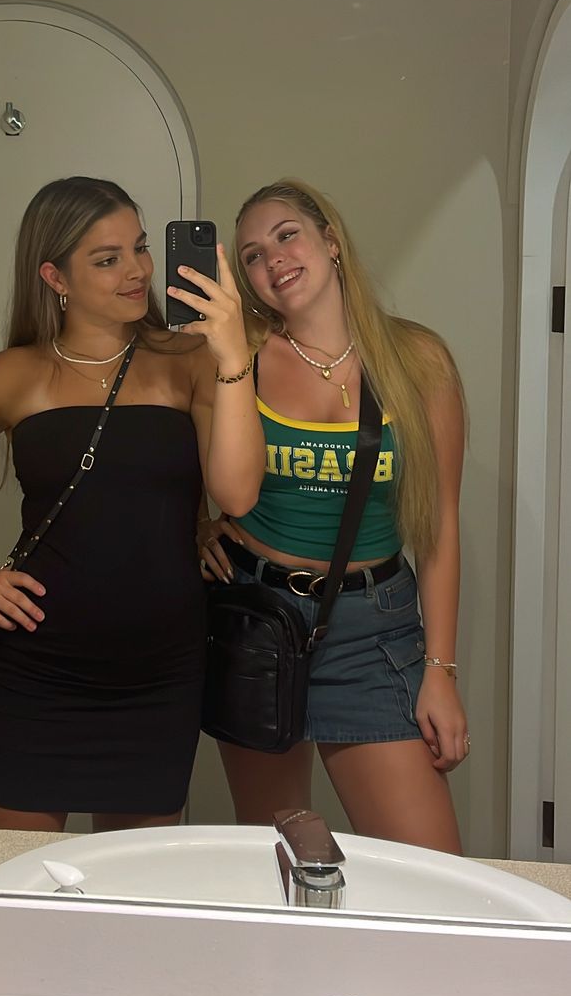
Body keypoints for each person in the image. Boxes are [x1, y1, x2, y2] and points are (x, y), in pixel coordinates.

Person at [0, 176, 264, 833]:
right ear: (55, 276)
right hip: (37, 675)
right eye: (107, 259)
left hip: (159, 675)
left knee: (133, 888)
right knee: (14, 885)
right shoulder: (15, 375)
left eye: (140, 248)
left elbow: (236, 494)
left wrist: (232, 355)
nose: (137, 271)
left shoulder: (189, 360)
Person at [198, 178, 467, 854]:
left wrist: (440, 670)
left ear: (331, 241)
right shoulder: (239, 359)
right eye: (252, 255)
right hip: (259, 619)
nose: (273, 260)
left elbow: (439, 526)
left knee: (429, 873)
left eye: (286, 235)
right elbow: (227, 492)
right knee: (281, 858)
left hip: (373, 631)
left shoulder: (419, 360)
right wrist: (192, 526)